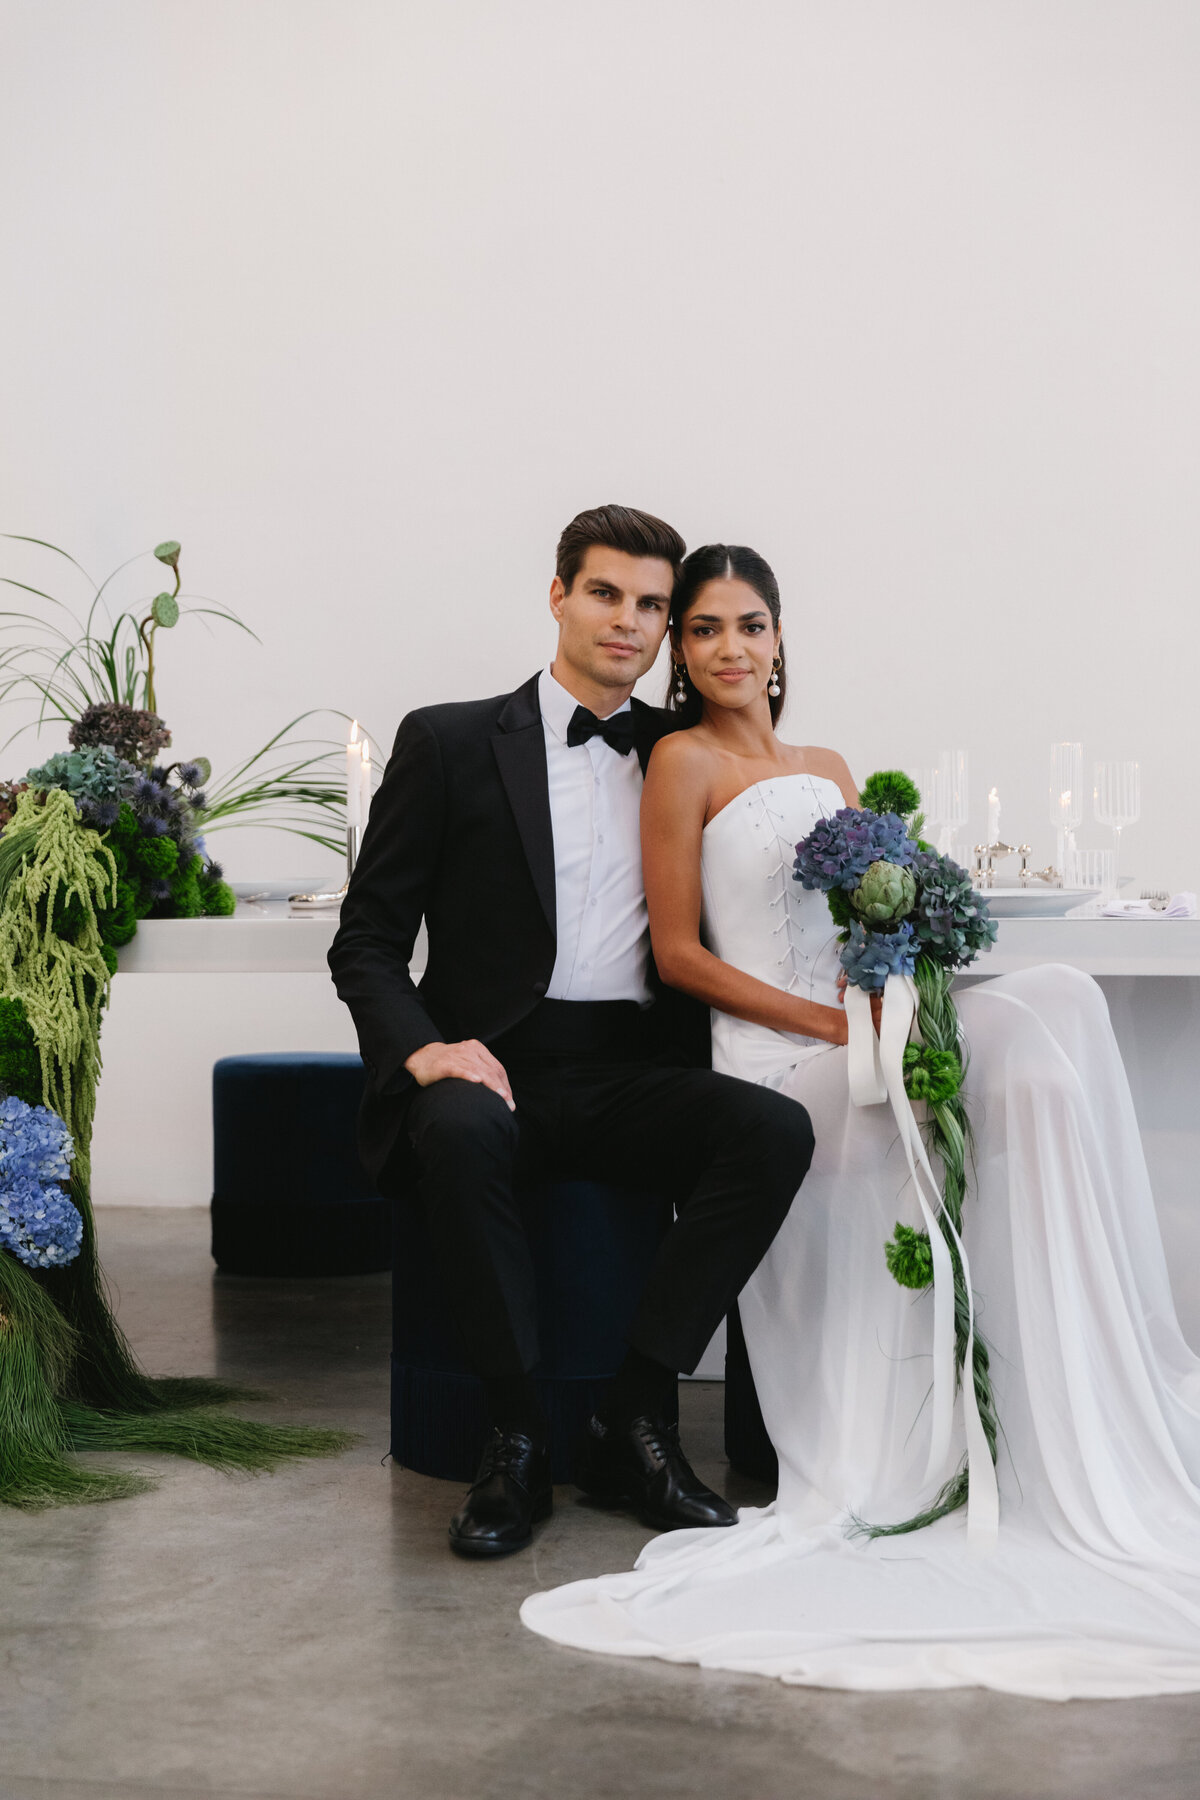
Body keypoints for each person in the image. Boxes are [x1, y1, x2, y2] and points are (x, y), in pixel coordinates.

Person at [520, 543, 1200, 1700]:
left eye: (750, 625)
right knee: (918, 1087)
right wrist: (833, 1029)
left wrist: (901, 989)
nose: (729, 648)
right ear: (682, 654)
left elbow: (859, 936)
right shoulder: (678, 763)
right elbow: (680, 956)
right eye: (704, 630)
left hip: (857, 1025)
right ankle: (899, 1431)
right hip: (778, 1058)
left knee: (1054, 1010)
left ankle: (1041, 1391)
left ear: (782, 639)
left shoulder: (830, 766)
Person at [328, 509, 815, 1560]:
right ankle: (511, 1433)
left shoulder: (679, 753)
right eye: (607, 594)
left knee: (772, 1135)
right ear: (558, 595)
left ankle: (632, 1417)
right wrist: (424, 1052)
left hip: (631, 1068)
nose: (629, 622)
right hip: (494, 1061)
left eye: (652, 606)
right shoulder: (451, 740)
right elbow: (366, 938)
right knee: (453, 1130)